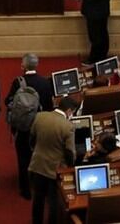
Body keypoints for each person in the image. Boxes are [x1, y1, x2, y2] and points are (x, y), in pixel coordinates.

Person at [5, 53, 54, 199]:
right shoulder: (45, 82)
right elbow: (49, 107)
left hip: (22, 128)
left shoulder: (17, 82)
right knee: (40, 156)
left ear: (23, 66)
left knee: (23, 158)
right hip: (39, 126)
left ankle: (25, 189)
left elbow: (8, 101)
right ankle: (39, 186)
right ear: (36, 65)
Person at [29, 95, 78, 224]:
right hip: (55, 170)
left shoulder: (40, 116)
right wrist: (70, 167)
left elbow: (32, 139)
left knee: (38, 199)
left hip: (37, 164)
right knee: (53, 202)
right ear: (69, 111)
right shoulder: (68, 126)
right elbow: (70, 153)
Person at [79, 0, 114, 64]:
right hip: (103, 12)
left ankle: (93, 59)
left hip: (94, 15)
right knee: (103, 34)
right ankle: (103, 56)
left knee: (95, 37)